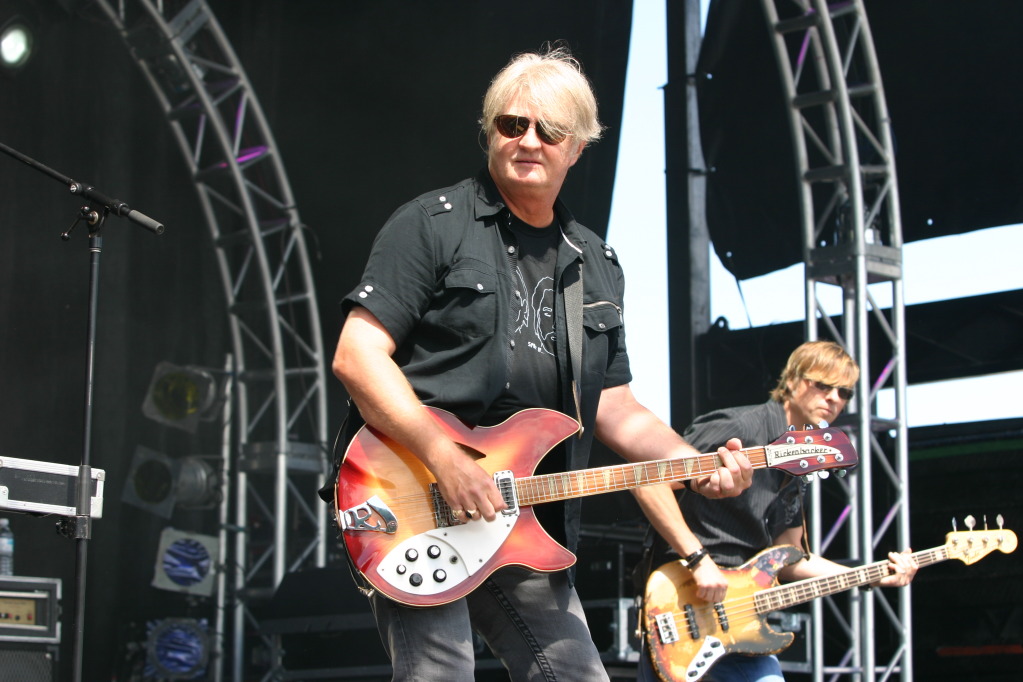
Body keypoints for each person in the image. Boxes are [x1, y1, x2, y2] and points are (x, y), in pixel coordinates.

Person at [328, 45, 754, 681]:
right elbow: (357, 357)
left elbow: (617, 408)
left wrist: (697, 465)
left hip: (524, 517)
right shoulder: (431, 225)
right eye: (512, 124)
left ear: (576, 147)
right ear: (490, 132)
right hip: (409, 495)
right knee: (441, 674)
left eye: (549, 130)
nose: (528, 141)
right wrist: (445, 458)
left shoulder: (596, 263)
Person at [632, 340, 918, 681]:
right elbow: (648, 481)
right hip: (682, 606)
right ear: (793, 381)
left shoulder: (800, 458)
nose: (834, 398)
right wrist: (698, 559)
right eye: (823, 385)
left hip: (740, 622)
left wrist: (873, 574)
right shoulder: (740, 428)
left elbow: (792, 558)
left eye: (845, 393)